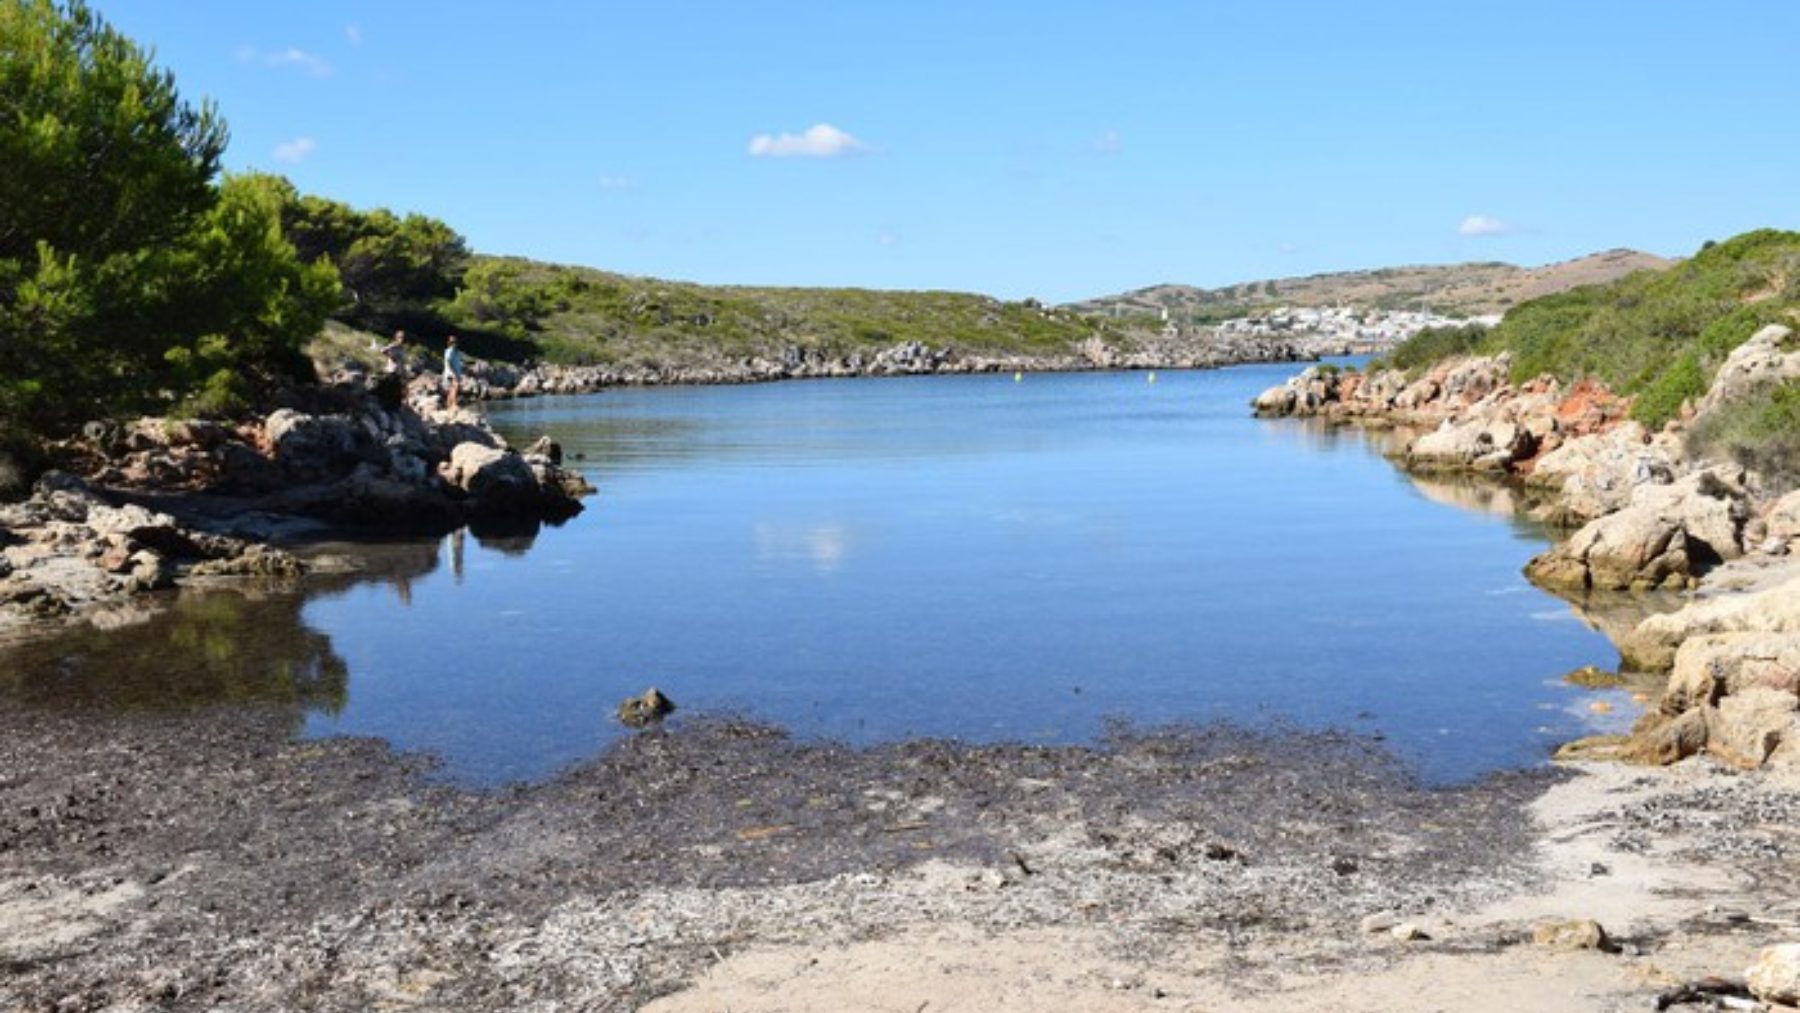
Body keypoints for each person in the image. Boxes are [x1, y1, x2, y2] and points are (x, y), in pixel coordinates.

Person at [443, 335, 466, 410]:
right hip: (451, 373)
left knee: (452, 389)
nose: (454, 343)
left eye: (455, 342)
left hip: (455, 373)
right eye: (452, 342)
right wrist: (453, 373)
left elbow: (458, 362)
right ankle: (453, 404)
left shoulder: (456, 351)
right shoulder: (450, 350)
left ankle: (448, 406)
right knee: (455, 388)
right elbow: (447, 362)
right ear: (449, 343)